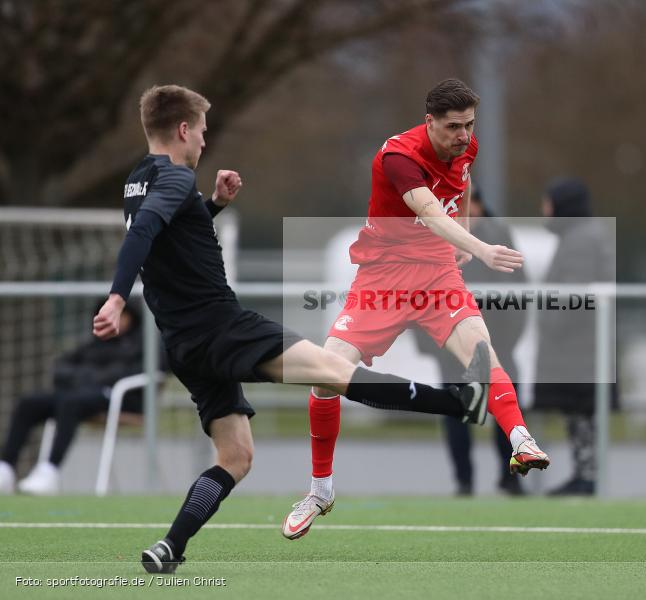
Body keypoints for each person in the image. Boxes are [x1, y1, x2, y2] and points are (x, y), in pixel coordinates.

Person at [92, 84, 492, 574]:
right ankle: (457, 402)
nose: (202, 140)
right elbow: (145, 232)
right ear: (181, 130)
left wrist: (213, 204)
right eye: (200, 131)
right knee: (333, 371)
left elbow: (167, 230)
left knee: (235, 456)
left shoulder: (139, 179)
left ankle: (169, 547)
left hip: (183, 343)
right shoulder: (174, 180)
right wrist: (116, 296)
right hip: (222, 326)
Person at [301, 78, 549, 526]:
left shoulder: (466, 148)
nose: (464, 136)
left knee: (482, 353)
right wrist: (479, 247)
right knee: (324, 373)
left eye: (470, 125)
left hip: (436, 274)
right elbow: (431, 212)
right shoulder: (399, 156)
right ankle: (320, 489)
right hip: (384, 277)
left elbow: (457, 200)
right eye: (454, 126)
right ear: (429, 121)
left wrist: (456, 242)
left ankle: (521, 441)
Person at [412, 185, 525, 496]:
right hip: (452, 346)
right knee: (456, 414)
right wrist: (432, 343)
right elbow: (415, 289)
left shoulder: (498, 233)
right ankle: (464, 481)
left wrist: (508, 339)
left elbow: (518, 289)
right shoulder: (433, 233)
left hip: (498, 344)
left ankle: (511, 476)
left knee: (507, 409)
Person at [0, 302, 145, 496]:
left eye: (123, 315)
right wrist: (85, 378)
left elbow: (138, 372)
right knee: (29, 403)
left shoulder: (141, 344)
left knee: (70, 402)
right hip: (78, 395)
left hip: (119, 399)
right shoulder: (94, 343)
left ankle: (49, 471)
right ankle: (6, 468)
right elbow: (61, 368)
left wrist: (92, 378)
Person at [533, 178, 617, 495]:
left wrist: (549, 322)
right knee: (579, 414)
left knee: (583, 412)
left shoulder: (581, 239)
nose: (544, 210)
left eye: (548, 203)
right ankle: (585, 474)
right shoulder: (582, 235)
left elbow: (572, 294)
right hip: (581, 348)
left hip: (579, 348)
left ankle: (587, 477)